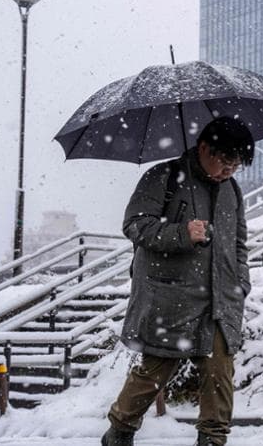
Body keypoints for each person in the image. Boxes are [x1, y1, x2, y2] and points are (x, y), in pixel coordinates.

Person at [101, 117, 253, 446]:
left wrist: (241, 282)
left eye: (236, 164)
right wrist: (181, 233)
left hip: (219, 300)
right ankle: (120, 430)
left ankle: (212, 439)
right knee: (155, 371)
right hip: (170, 298)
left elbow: (239, 243)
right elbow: (135, 225)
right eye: (225, 161)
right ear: (203, 148)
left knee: (219, 375)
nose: (229, 170)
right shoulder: (164, 177)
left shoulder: (232, 190)